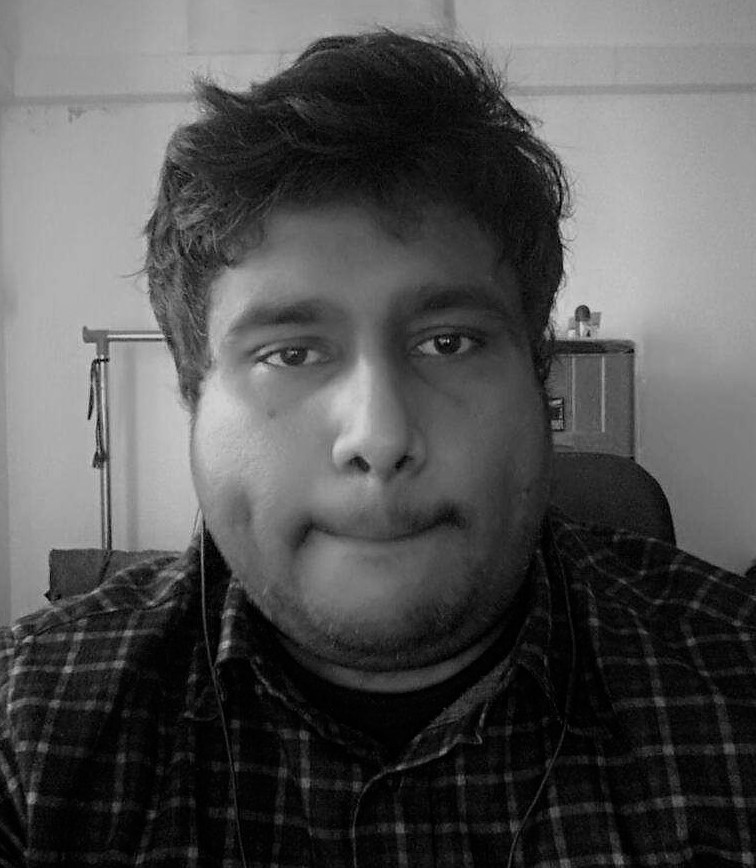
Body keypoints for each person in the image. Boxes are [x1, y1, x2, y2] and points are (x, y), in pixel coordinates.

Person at [0, 30, 754, 867]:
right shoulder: (28, 735)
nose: (381, 437)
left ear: (538, 374)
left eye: (448, 342)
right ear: (192, 394)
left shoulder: (735, 685)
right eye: (291, 353)